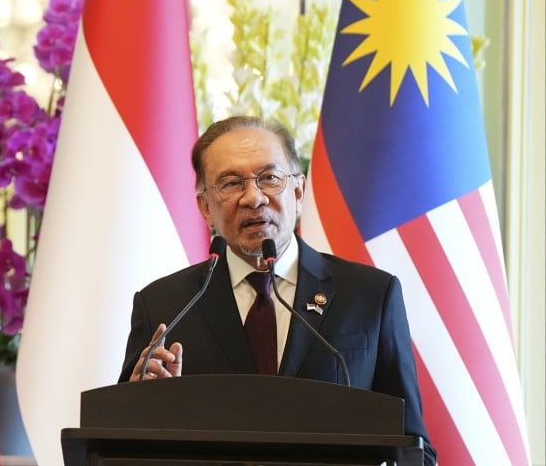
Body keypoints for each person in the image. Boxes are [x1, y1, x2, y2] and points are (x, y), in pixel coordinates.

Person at [118, 115, 435, 465]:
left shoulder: (372, 296)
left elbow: (413, 448)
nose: (254, 198)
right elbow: (119, 444)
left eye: (269, 178)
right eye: (231, 183)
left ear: (298, 192)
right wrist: (138, 407)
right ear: (205, 207)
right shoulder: (166, 305)